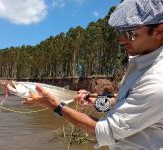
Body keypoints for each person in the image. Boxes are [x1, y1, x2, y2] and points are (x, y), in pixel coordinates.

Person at [22, 0, 163, 149]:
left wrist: (55, 106)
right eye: (120, 32)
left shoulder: (157, 82)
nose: (121, 40)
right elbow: (128, 100)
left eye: (130, 33)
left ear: (159, 31)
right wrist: (97, 102)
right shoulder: (142, 61)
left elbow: (104, 132)